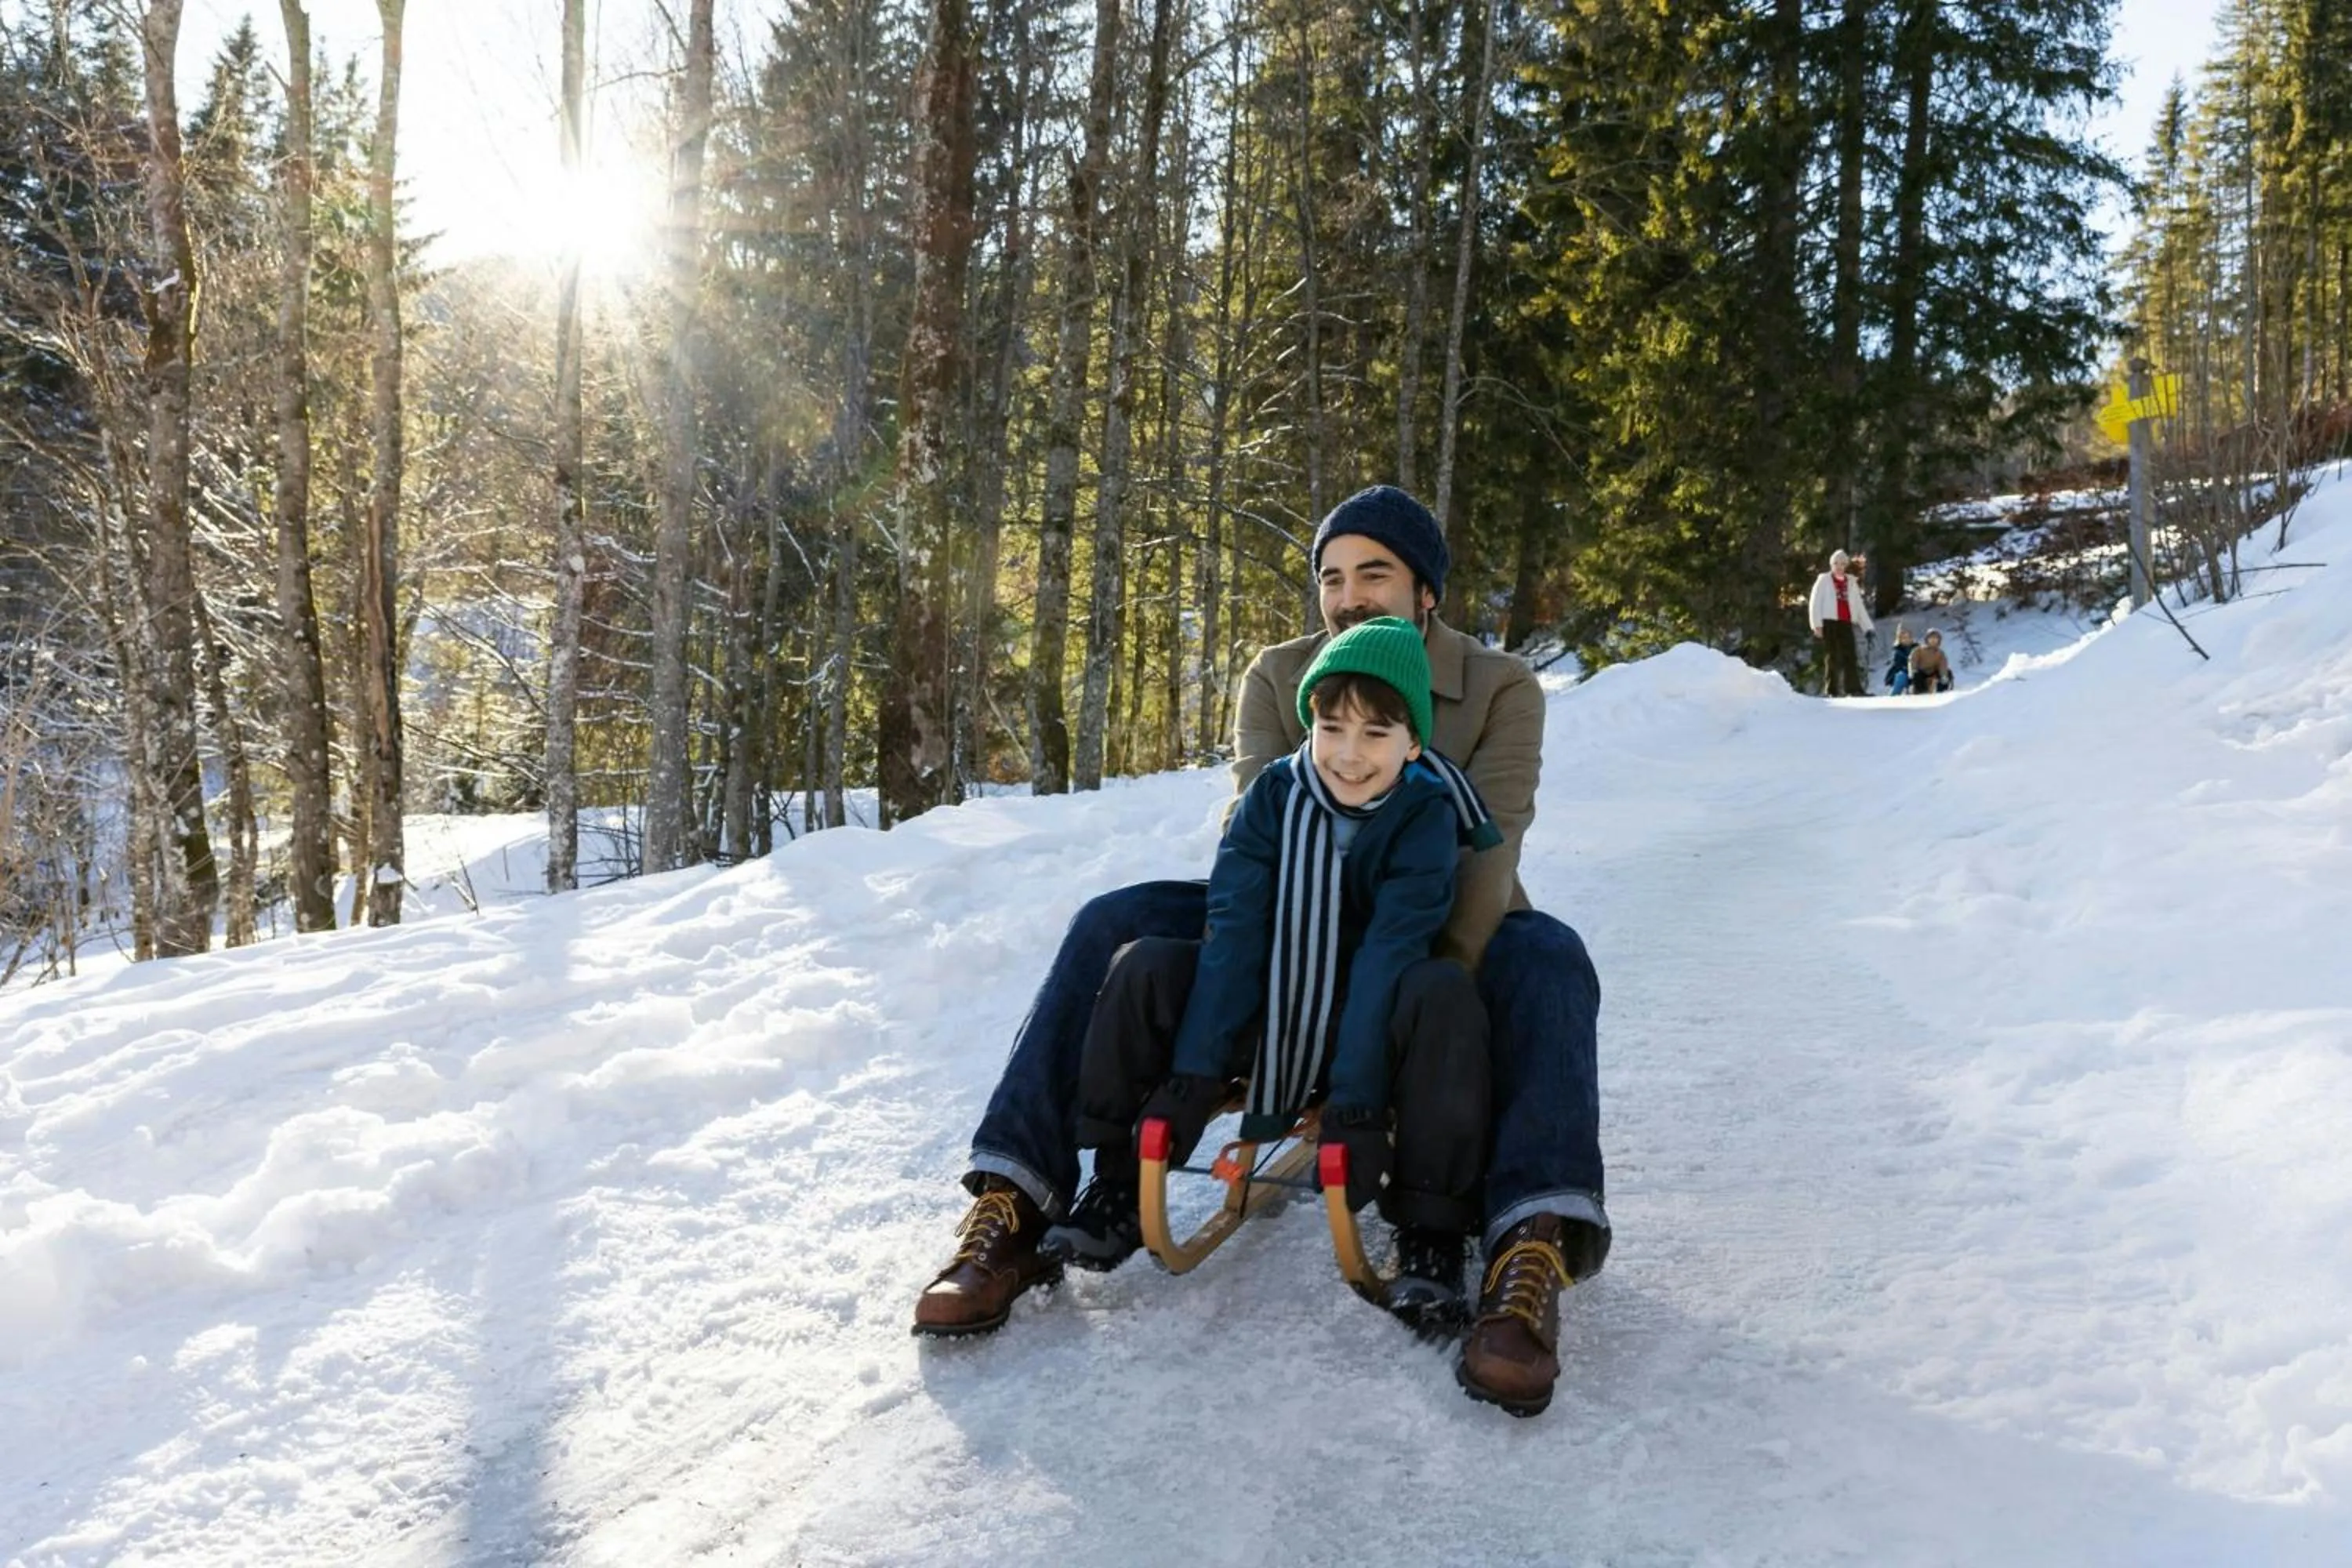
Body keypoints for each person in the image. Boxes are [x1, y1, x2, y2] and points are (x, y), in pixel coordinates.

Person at [913, 485, 1610, 1421]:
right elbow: (1254, 836)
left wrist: (1412, 1014)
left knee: (1550, 956)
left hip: (1434, 916)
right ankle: (1017, 1198)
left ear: (1427, 590)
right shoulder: (1283, 674)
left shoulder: (1498, 687)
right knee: (1112, 920)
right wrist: (1281, 1005)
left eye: (1376, 573)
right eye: (1332, 577)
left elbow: (1487, 862)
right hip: (1291, 909)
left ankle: (1529, 1243)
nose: (1349, 595)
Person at [1047, 617, 1500, 1335]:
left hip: (1367, 1020)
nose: (1349, 755)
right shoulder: (1273, 799)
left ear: (1413, 742)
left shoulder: (1424, 817)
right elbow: (1235, 930)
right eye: (1332, 728)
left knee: (1442, 995)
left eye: (1376, 734)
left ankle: (1431, 1231)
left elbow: (1391, 952)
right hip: (1268, 1008)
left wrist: (1354, 1105)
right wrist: (1193, 1077)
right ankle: (1119, 1184)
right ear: (1308, 725)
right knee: (1148, 967)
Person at [1807, 548, 1875, 698]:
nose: (1839, 567)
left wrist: (1868, 628)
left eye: (1842, 564)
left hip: (1845, 622)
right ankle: (1832, 691)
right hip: (1829, 622)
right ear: (1832, 565)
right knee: (1832, 656)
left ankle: (1854, 689)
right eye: (1836, 564)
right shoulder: (1823, 580)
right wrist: (1816, 624)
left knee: (1850, 655)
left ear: (1846, 566)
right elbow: (1815, 603)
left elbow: (1859, 607)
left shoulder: (1851, 582)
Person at [1908, 628, 1954, 695]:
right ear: (1927, 640)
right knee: (1917, 675)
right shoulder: (1919, 650)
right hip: (1922, 672)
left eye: (1936, 638)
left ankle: (1941, 691)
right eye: (1931, 638)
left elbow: (1943, 665)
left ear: (1939, 640)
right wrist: (1913, 670)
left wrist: (1943, 675)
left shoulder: (1940, 653)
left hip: (1933, 672)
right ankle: (1920, 691)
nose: (1933, 640)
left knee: (1948, 673)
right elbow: (1913, 660)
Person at [1885, 624, 1918, 695]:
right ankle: (1894, 697)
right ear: (1900, 640)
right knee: (1900, 676)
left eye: (1908, 637)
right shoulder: (1898, 652)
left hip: (1917, 673)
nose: (1906, 640)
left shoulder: (1917, 649)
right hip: (1904, 674)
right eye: (1904, 638)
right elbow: (1897, 666)